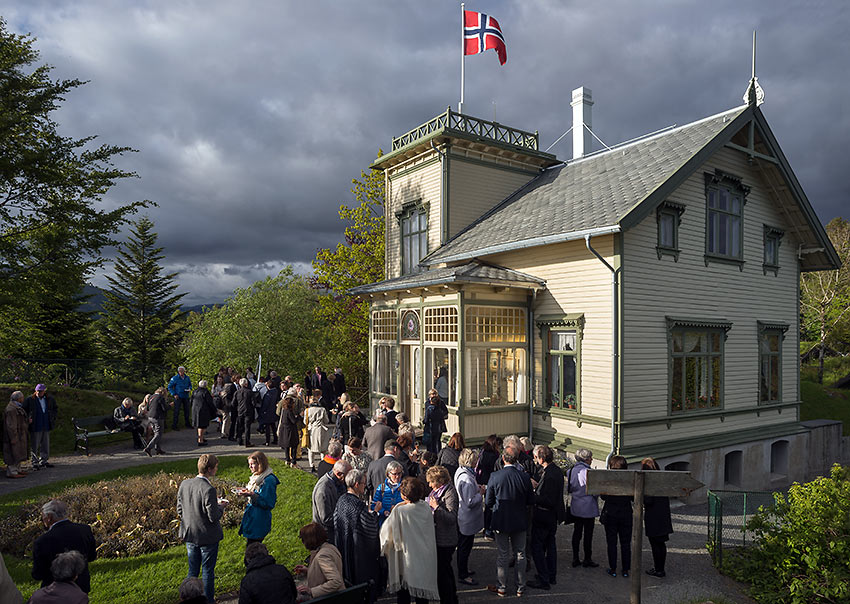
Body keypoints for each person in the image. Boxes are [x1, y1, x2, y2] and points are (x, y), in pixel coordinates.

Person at [380, 477, 440, 604]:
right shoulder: (425, 507)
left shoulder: (400, 511)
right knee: (421, 592)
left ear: (404, 495)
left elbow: (386, 533)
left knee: (404, 592)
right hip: (424, 555)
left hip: (407, 556)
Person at [177, 454, 228, 604]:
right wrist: (221, 507)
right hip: (207, 537)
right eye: (216, 467)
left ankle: (187, 599)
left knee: (192, 571)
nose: (217, 470)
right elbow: (213, 516)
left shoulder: (184, 484)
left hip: (190, 534)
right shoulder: (208, 489)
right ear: (210, 470)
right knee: (207, 571)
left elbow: (180, 510)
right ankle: (208, 601)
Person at [485, 445, 534, 598]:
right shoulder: (524, 477)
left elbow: (488, 501)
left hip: (501, 520)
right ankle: (520, 587)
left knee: (502, 554)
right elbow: (530, 500)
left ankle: (502, 587)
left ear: (503, 458)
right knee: (520, 554)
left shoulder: (495, 476)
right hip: (520, 520)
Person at [333, 469, 381, 603]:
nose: (365, 486)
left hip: (343, 544)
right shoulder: (358, 505)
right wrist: (375, 512)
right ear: (356, 484)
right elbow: (369, 526)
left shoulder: (341, 500)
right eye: (363, 484)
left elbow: (336, 520)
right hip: (358, 550)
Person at [31, 500, 97, 593]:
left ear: (49, 517)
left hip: (54, 590)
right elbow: (91, 556)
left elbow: (38, 574)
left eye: (43, 516)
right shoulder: (84, 529)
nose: (43, 520)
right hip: (81, 586)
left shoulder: (42, 541)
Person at [527, 444, 565, 591]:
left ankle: (543, 579)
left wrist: (533, 494)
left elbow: (547, 499)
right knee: (550, 545)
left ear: (541, 458)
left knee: (537, 547)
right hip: (553, 515)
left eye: (536, 457)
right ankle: (551, 575)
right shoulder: (555, 471)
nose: (535, 460)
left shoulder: (549, 475)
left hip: (544, 514)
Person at [426, 465, 459, 604]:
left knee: (443, 573)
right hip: (437, 537)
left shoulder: (450, 493)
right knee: (445, 570)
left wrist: (436, 508)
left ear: (440, 481)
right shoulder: (437, 492)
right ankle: (451, 598)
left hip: (446, 540)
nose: (429, 484)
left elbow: (452, 518)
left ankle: (448, 599)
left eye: (431, 482)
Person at [454, 448, 484, 585]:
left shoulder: (461, 471)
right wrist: (481, 493)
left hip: (465, 516)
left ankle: (464, 569)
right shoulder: (466, 477)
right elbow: (470, 501)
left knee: (464, 545)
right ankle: (463, 574)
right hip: (467, 517)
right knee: (464, 546)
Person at [236, 451, 279, 544]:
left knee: (253, 550)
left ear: (260, 463)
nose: (250, 467)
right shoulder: (256, 476)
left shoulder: (268, 480)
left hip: (259, 521)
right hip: (253, 518)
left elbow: (269, 503)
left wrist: (252, 495)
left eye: (252, 464)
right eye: (249, 464)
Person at [600, 455, 633, 578]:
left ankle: (613, 568)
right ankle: (625, 570)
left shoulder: (608, 479)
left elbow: (603, 497)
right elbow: (633, 497)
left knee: (612, 543)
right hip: (625, 514)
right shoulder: (629, 480)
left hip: (611, 513)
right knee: (626, 543)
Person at [294, 523, 345, 601]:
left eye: (303, 539)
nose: (302, 542)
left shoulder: (322, 556)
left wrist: (311, 591)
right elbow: (326, 573)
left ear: (310, 540)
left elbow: (336, 581)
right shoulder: (330, 547)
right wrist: (308, 570)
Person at [642, 457, 673, 578]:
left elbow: (648, 501)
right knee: (661, 543)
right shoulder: (662, 480)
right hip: (664, 515)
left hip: (653, 517)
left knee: (655, 544)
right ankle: (661, 568)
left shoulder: (650, 482)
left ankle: (658, 569)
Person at [569, 448, 600, 568]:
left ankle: (575, 557)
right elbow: (594, 491)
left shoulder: (571, 471)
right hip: (588, 507)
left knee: (577, 533)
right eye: (590, 458)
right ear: (586, 459)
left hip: (576, 505)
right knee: (588, 534)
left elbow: (570, 489)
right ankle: (587, 558)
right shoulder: (587, 472)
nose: (591, 460)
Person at [311, 459, 350, 544]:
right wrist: (347, 519)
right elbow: (326, 518)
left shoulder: (337, 482)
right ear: (339, 474)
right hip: (326, 535)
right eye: (347, 476)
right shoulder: (323, 490)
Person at [23, 384, 58, 469]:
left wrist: (52, 417)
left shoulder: (49, 399)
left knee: (45, 444)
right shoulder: (29, 400)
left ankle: (44, 461)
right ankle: (35, 462)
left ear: (44, 391)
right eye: (38, 391)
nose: (39, 393)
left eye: (41, 391)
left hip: (46, 424)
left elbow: (55, 409)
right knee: (35, 445)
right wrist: (28, 418)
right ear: (35, 391)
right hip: (35, 425)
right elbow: (23, 410)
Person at [478, 434, 502, 540]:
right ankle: (488, 529)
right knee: (490, 506)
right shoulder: (494, 456)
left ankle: (486, 528)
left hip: (483, 481)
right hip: (491, 482)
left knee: (487, 505)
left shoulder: (483, 452)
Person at [4, 391, 29, 479]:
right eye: (22, 397)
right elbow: (11, 425)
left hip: (20, 434)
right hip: (14, 435)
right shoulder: (11, 409)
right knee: (12, 453)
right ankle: (12, 472)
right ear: (18, 398)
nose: (23, 399)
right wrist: (13, 437)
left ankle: (17, 469)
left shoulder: (17, 407)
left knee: (18, 453)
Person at [372, 460, 404, 527]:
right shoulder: (382, 488)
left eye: (399, 473)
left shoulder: (404, 487)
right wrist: (383, 511)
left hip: (400, 523)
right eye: (394, 474)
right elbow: (374, 505)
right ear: (388, 474)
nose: (397, 476)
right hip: (384, 523)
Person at [143, 387, 171, 456]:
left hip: (150, 417)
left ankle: (158, 449)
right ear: (163, 393)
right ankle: (148, 448)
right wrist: (170, 405)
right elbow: (164, 408)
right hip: (158, 417)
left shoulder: (151, 397)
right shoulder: (160, 397)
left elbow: (147, 408)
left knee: (156, 433)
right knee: (158, 434)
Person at [306, 393, 330, 472]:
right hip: (320, 429)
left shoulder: (307, 410)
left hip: (311, 429)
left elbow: (305, 421)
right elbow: (326, 420)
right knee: (323, 448)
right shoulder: (322, 410)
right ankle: (322, 464)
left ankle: (312, 465)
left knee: (310, 449)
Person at [191, 380, 218, 447]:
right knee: (202, 425)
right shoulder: (205, 392)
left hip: (195, 410)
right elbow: (210, 402)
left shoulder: (195, 391)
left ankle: (201, 437)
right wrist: (214, 410)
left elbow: (191, 400)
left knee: (199, 425)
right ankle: (200, 440)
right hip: (203, 410)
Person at [168, 366, 193, 430]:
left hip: (186, 395)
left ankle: (187, 424)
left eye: (182, 371)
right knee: (176, 411)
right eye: (180, 371)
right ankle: (174, 425)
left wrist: (190, 388)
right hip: (178, 396)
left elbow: (190, 385)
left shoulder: (187, 378)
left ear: (184, 371)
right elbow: (170, 387)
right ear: (178, 371)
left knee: (187, 410)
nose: (181, 372)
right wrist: (174, 394)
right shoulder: (175, 378)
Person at [258, 378, 281, 446]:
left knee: (267, 427)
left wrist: (262, 411)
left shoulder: (269, 394)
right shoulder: (276, 392)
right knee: (273, 426)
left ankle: (267, 441)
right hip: (273, 411)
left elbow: (266, 403)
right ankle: (275, 439)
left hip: (267, 412)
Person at [234, 378, 255, 447]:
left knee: (240, 426)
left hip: (240, 411)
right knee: (247, 427)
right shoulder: (250, 392)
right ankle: (247, 441)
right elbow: (253, 403)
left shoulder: (237, 392)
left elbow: (233, 403)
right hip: (248, 411)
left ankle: (239, 440)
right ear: (246, 384)